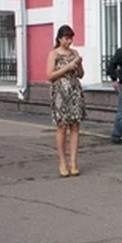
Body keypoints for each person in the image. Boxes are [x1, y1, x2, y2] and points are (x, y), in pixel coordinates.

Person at [46, 25, 87, 177]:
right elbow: (49, 76)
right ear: (59, 38)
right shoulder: (54, 54)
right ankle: (62, 161)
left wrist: (79, 64)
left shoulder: (74, 53)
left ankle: (74, 161)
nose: (69, 41)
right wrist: (67, 67)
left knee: (75, 126)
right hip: (60, 92)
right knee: (62, 126)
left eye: (70, 38)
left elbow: (81, 75)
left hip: (74, 91)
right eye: (66, 38)